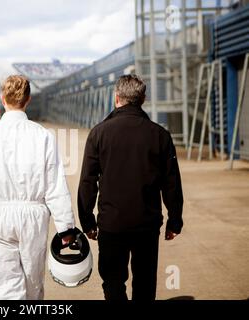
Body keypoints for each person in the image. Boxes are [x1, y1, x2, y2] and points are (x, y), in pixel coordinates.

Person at [77, 74, 184, 300]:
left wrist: (87, 221)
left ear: (117, 98)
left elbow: (88, 180)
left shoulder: (99, 133)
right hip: (146, 224)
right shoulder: (160, 135)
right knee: (145, 283)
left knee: (113, 281)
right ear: (142, 99)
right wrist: (175, 219)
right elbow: (171, 182)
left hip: (111, 223)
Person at [0, 75, 76, 300]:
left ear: (2, 99)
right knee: (32, 284)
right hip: (32, 215)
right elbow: (55, 184)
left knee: (1, 286)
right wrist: (65, 227)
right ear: (28, 100)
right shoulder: (43, 136)